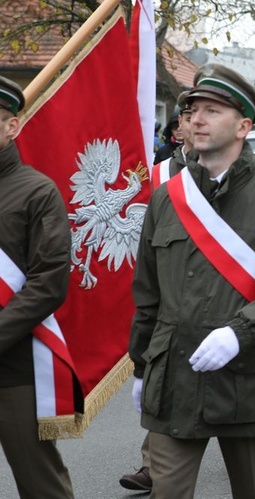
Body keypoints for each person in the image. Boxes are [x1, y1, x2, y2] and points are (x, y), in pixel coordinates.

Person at [129, 63, 255, 499]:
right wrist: (141, 366)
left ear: (244, 126)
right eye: (192, 111)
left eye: (212, 110)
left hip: (246, 377)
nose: (196, 119)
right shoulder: (167, 198)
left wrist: (238, 333)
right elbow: (147, 293)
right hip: (174, 375)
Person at [0, 75, 75, 498]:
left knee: (40, 484)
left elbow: (48, 283)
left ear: (12, 126)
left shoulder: (38, 192)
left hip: (14, 369)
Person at [119, 91, 194, 493]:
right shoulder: (156, 173)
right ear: (178, 126)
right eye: (185, 115)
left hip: (217, 291)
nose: (190, 122)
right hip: (167, 288)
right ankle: (153, 464)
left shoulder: (232, 171)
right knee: (164, 379)